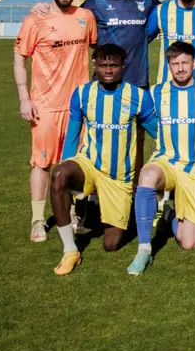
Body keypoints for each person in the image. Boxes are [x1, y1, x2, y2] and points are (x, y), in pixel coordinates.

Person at [48, 44, 159, 275]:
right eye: (103, 65)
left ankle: (115, 211)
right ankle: (70, 251)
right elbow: (72, 136)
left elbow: (158, 131)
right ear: (95, 66)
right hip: (89, 165)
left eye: (113, 65)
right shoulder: (82, 94)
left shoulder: (138, 96)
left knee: (111, 245)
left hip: (119, 178)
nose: (108, 70)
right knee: (59, 175)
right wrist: (66, 173)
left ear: (123, 66)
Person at [127, 42, 195, 275]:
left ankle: (169, 213)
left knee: (189, 243)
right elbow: (143, 120)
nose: (181, 68)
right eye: (175, 64)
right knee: (148, 175)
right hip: (166, 162)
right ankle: (144, 249)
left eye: (185, 63)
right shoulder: (155, 92)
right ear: (169, 66)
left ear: (194, 63)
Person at [13, 0, 96, 243]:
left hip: (77, 107)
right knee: (42, 163)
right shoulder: (34, 20)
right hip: (45, 106)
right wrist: (25, 97)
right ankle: (38, 221)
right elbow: (18, 59)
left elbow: (98, 50)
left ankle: (70, 217)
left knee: (72, 163)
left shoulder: (86, 17)